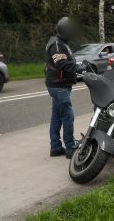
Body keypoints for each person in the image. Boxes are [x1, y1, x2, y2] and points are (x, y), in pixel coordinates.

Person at [45, 17, 84, 159]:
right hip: (58, 85)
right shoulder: (56, 44)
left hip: (60, 84)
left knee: (56, 117)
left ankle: (55, 147)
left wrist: (79, 65)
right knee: (68, 116)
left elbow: (67, 61)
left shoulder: (61, 43)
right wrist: (78, 67)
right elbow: (61, 63)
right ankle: (69, 149)